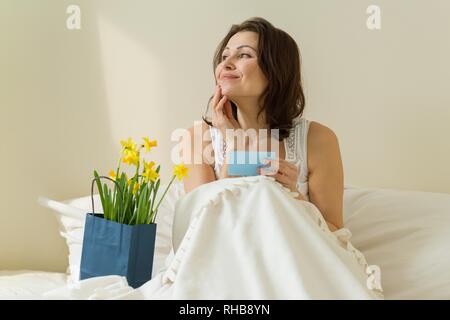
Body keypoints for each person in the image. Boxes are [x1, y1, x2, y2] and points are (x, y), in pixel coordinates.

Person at [180, 17, 344, 233]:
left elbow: (335, 234)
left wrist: (294, 197)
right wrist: (233, 145)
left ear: (275, 70)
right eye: (225, 56)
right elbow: (200, 228)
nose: (226, 64)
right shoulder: (197, 138)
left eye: (244, 55)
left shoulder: (318, 140)